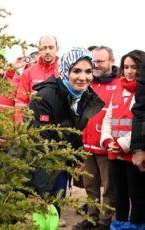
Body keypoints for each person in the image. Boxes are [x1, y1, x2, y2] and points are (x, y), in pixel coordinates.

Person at [28, 47, 104, 227]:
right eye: (76, 71)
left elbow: (74, 129)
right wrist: (44, 192)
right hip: (31, 162)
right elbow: (38, 142)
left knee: (54, 212)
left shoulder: (83, 97)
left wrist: (77, 156)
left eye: (88, 71)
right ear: (65, 70)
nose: (83, 77)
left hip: (59, 162)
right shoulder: (45, 97)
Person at [100, 50, 145, 228]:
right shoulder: (118, 87)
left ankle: (136, 224)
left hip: (133, 152)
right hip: (115, 152)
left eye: (134, 67)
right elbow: (108, 117)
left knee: (137, 193)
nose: (129, 71)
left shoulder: (141, 92)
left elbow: (141, 121)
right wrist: (107, 140)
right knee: (120, 192)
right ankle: (120, 222)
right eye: (126, 67)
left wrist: (122, 144)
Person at [75, 46, 119, 230]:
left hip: (106, 145)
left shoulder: (119, 83)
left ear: (112, 61)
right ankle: (92, 217)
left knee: (109, 187)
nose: (97, 65)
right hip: (87, 143)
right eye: (95, 61)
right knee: (90, 185)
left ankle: (105, 221)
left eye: (101, 61)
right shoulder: (87, 83)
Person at [15, 35, 60, 108]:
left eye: (51, 47)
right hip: (34, 118)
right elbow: (20, 101)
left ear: (57, 49)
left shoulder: (63, 71)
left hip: (57, 119)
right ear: (39, 50)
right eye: (44, 48)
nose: (47, 51)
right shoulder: (28, 72)